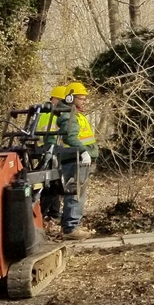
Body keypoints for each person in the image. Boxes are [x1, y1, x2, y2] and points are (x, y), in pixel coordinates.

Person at [58, 82, 97, 241]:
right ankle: (71, 228)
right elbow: (70, 137)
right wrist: (83, 151)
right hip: (75, 160)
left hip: (78, 160)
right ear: (70, 98)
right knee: (76, 193)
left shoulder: (75, 113)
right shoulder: (69, 115)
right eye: (81, 98)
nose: (84, 101)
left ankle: (71, 225)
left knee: (76, 193)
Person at [36, 85, 70, 222]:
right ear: (55, 99)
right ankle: (41, 213)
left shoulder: (47, 112)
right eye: (62, 101)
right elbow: (51, 137)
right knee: (51, 182)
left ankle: (54, 212)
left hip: (48, 150)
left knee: (55, 180)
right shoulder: (50, 114)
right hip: (49, 150)